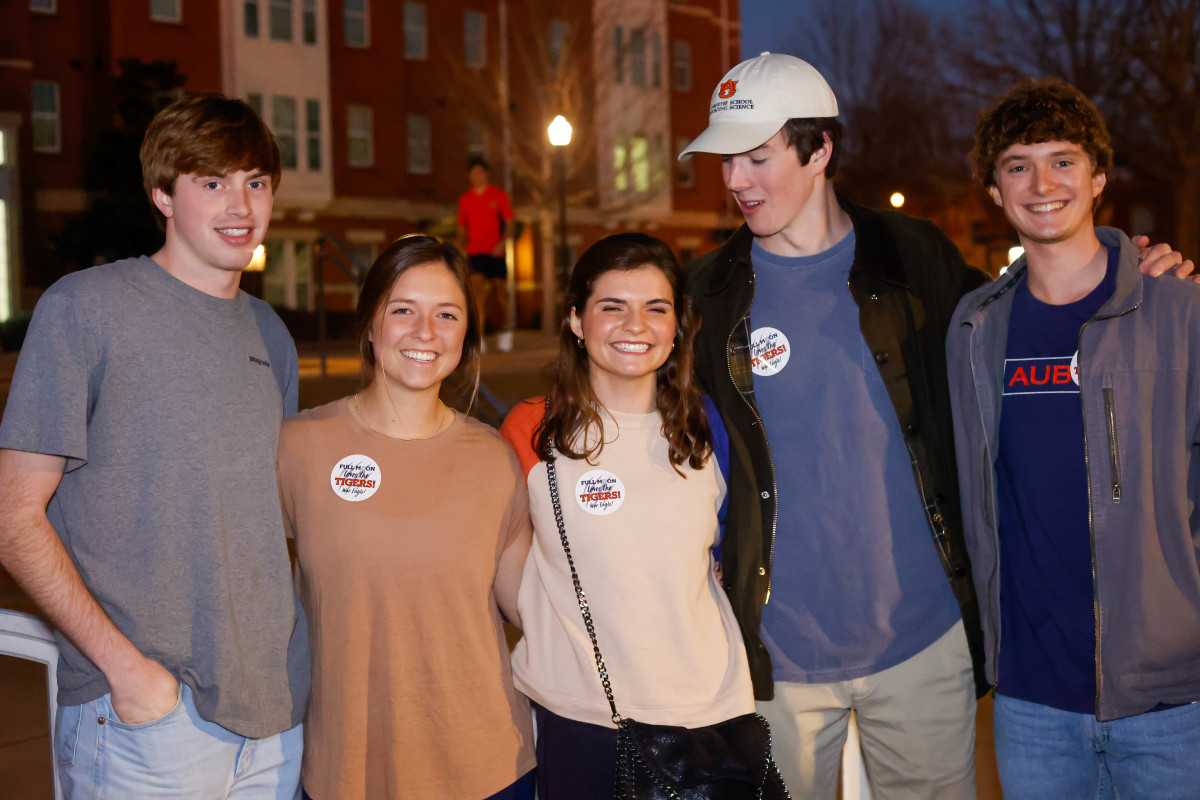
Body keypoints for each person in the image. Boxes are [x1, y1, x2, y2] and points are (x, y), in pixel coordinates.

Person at [677, 52, 1195, 799]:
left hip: (922, 647)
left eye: (756, 157)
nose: (734, 181)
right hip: (774, 659)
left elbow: (1038, 304)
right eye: (726, 162)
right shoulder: (707, 291)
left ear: (819, 151)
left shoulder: (913, 256)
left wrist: (1135, 264)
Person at [0, 94, 309, 797]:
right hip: (146, 721)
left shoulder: (271, 334)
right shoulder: (86, 309)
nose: (241, 206)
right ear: (162, 194)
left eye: (255, 183)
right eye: (213, 183)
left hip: (273, 719)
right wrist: (128, 673)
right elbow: (13, 516)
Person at [947, 78, 1200, 799]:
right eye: (1018, 165)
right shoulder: (975, 327)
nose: (1042, 183)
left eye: (1062, 160)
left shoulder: (1178, 310)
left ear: (1097, 178)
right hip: (1029, 701)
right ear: (995, 192)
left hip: (1170, 699)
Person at [278, 234, 535, 800]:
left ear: (466, 335)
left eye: (447, 314)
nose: (425, 332)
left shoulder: (493, 458)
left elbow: (533, 605)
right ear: (370, 325)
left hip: (488, 766)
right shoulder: (298, 448)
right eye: (403, 311)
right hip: (347, 768)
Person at [500, 233, 756, 799]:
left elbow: (723, 550)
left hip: (706, 712)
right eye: (612, 306)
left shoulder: (709, 424)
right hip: (580, 716)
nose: (634, 324)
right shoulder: (531, 431)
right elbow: (506, 571)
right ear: (576, 320)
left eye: (655, 308)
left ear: (678, 324)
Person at [458, 156, 515, 352]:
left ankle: (506, 331)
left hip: (496, 253)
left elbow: (509, 224)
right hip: (476, 253)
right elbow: (461, 228)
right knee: (478, 295)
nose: (475, 176)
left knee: (500, 295)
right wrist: (460, 248)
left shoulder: (499, 196)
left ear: (486, 174)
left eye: (479, 172)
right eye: (472, 173)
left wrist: (502, 242)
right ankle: (479, 338)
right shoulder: (465, 200)